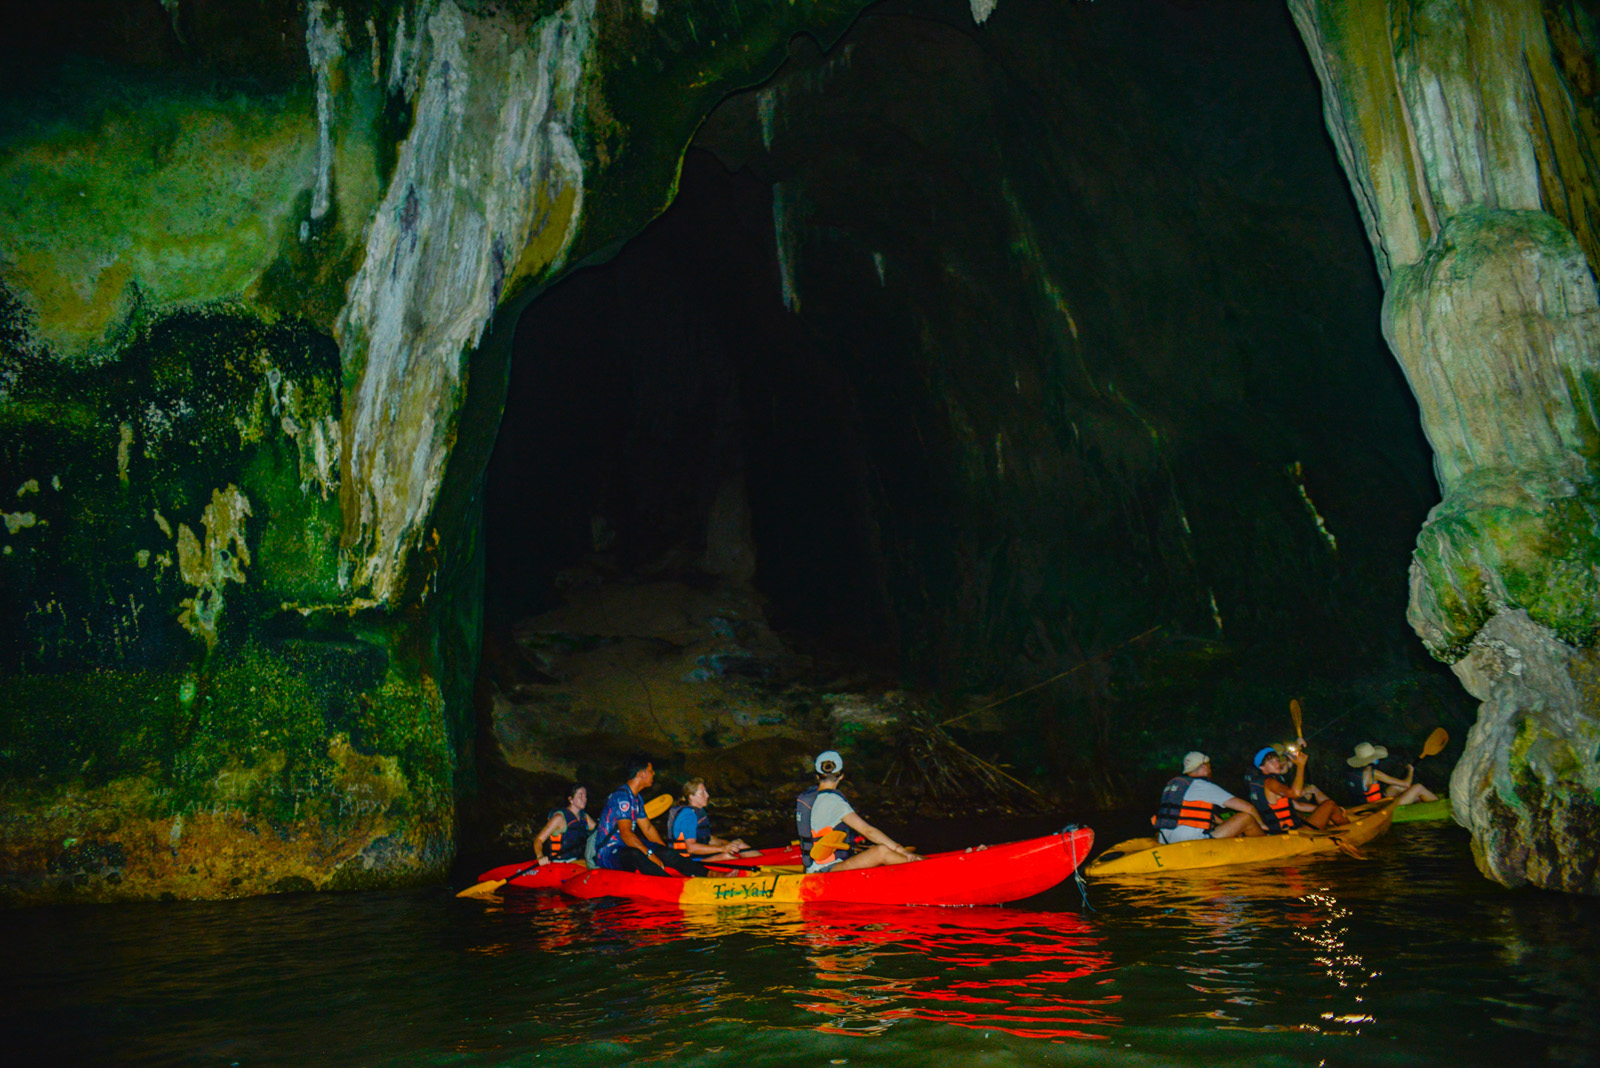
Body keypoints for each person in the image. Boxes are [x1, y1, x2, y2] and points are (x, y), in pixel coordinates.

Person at [797, 751, 918, 872]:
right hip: (826, 870)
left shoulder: (809, 798)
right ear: (841, 776)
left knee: (875, 850)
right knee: (881, 851)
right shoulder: (833, 801)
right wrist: (900, 850)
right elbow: (868, 831)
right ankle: (929, 868)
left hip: (814, 867)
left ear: (817, 776)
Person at [593, 756, 710, 877]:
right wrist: (650, 854)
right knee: (635, 854)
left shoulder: (637, 798)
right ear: (641, 773)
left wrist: (667, 854)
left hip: (625, 846)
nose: (653, 774)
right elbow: (626, 834)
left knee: (667, 853)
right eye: (650, 771)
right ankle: (669, 884)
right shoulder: (621, 797)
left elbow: (648, 828)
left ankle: (711, 874)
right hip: (609, 851)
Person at [1153, 751, 1267, 843]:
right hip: (1189, 841)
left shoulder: (1175, 784)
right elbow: (1248, 808)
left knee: (1234, 824)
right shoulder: (1201, 785)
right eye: (1209, 766)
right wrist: (1262, 825)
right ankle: (1265, 845)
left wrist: (1232, 829)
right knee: (1245, 818)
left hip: (1165, 839)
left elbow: (1203, 814)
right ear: (1204, 767)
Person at [1245, 745, 1347, 832]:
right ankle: (1349, 829)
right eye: (1271, 762)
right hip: (1293, 832)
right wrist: (1300, 765)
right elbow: (1296, 793)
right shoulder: (1270, 782)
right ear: (1261, 767)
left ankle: (1338, 815)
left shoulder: (1263, 781)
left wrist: (1324, 811)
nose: (1277, 764)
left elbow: (1298, 805)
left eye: (1277, 760)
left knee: (1329, 807)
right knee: (1329, 803)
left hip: (1281, 830)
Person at [666, 778, 756, 860]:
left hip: (701, 858)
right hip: (690, 863)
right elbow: (691, 848)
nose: (707, 795)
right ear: (691, 797)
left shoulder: (698, 812)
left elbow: (707, 839)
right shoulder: (688, 816)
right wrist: (722, 848)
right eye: (702, 793)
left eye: (706, 792)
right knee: (727, 857)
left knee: (739, 844)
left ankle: (765, 864)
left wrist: (728, 844)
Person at [1346, 742, 1438, 805]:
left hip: (1370, 804)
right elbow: (1407, 784)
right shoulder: (1374, 773)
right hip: (1379, 808)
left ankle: (1419, 799)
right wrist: (1411, 771)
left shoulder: (1355, 773)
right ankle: (1437, 805)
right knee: (1418, 787)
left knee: (1397, 787)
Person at [532, 783, 596, 865]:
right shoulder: (559, 818)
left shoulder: (584, 817)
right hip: (561, 863)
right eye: (580, 795)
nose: (584, 799)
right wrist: (540, 856)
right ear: (571, 799)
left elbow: (600, 831)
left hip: (577, 861)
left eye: (585, 796)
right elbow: (539, 840)